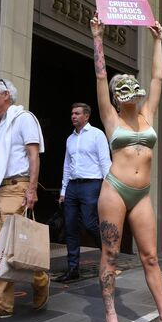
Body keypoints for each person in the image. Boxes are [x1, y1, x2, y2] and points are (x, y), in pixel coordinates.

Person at [90, 13, 162, 322]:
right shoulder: (111, 118)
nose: (129, 89)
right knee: (110, 256)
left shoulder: (148, 114)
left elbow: (157, 78)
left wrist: (158, 40)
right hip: (115, 190)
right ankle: (111, 316)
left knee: (151, 258)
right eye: (121, 87)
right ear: (115, 97)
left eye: (131, 84)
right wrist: (98, 36)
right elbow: (101, 76)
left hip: (142, 195)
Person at [0, 78, 49, 322]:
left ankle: (4, 304)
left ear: (6, 95)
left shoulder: (23, 119)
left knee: (9, 250)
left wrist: (32, 189)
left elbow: (33, 155)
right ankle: (32, 283)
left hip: (16, 188)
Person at [56, 103, 111, 282]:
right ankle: (73, 270)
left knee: (89, 224)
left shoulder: (97, 134)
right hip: (72, 186)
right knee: (70, 227)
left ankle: (109, 255)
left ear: (86, 116)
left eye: (77, 113)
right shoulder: (69, 139)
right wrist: (63, 190)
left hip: (91, 185)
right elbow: (66, 165)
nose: (73, 116)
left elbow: (105, 162)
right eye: (72, 113)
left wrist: (109, 187)